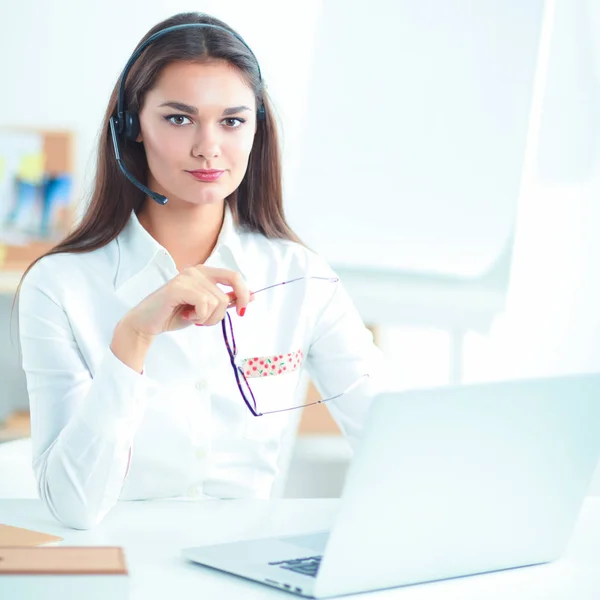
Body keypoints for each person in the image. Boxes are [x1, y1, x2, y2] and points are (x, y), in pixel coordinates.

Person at [17, 12, 386, 530]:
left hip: (246, 560)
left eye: (232, 121)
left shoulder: (301, 277)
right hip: (114, 561)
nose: (208, 147)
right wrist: (133, 337)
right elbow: (73, 507)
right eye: (178, 118)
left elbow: (390, 438)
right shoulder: (59, 286)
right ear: (131, 128)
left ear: (257, 129)